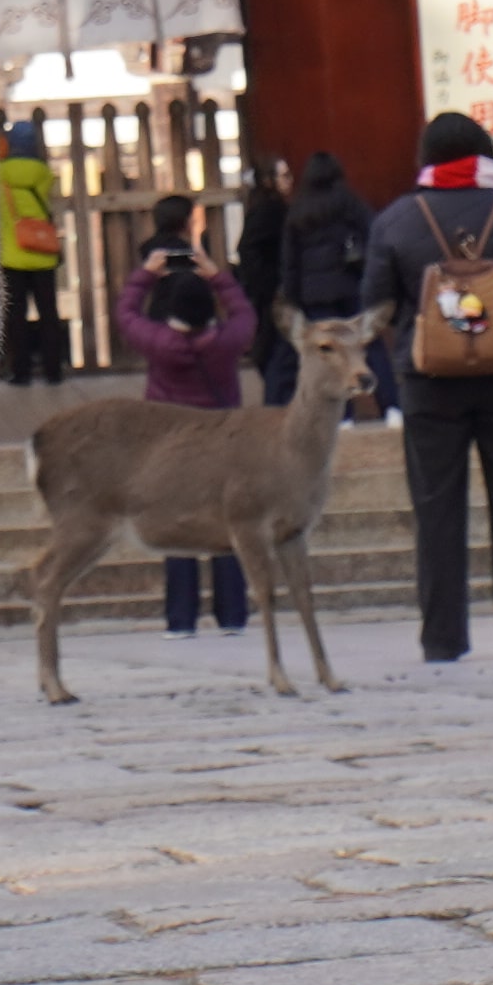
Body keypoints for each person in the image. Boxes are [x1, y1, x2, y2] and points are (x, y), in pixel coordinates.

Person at [367, 115, 493, 672]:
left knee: (435, 510)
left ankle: (443, 639)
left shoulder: (397, 222)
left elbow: (376, 301)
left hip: (430, 385)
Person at [125, 198, 257, 633]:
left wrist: (147, 273)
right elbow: (243, 313)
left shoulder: (159, 344)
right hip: (222, 442)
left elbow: (125, 313)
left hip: (170, 445)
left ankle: (180, 617)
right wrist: (217, 274)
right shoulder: (225, 343)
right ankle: (233, 613)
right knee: (227, 526)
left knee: (176, 526)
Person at [261, 150, 377, 411]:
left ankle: (343, 413)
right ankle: (391, 405)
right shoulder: (350, 202)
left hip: (314, 293)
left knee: (330, 355)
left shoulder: (298, 209)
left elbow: (290, 260)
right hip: (350, 285)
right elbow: (373, 235)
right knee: (365, 346)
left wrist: (292, 297)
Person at [0, 118, 70, 385]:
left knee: (16, 316)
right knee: (49, 313)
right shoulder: (45, 174)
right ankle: (54, 371)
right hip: (43, 252)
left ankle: (21, 371)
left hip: (12, 254)